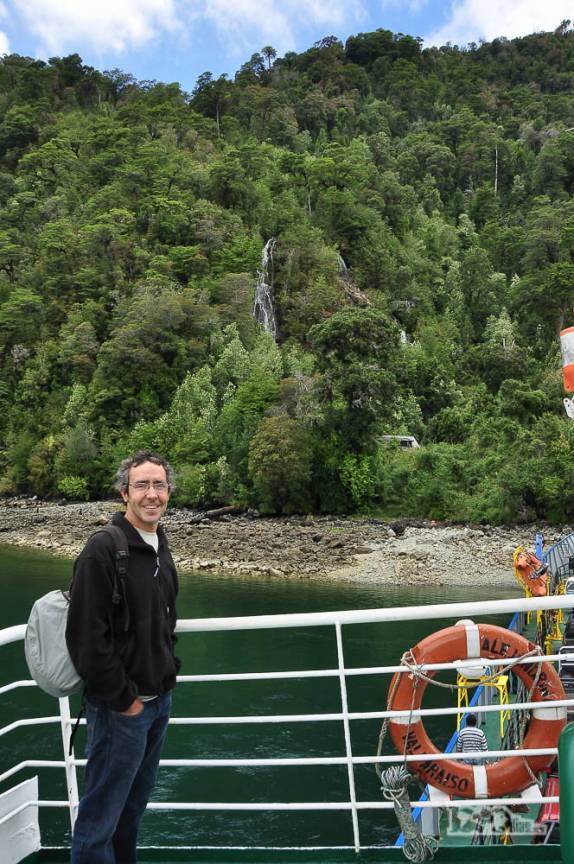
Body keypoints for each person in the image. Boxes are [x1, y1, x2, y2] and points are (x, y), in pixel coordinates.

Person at [66, 450, 180, 864]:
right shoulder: (103, 549)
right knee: (99, 821)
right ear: (124, 492)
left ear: (169, 492)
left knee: (131, 812)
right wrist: (126, 701)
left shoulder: (159, 545)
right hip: (122, 711)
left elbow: (164, 619)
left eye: (159, 485)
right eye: (142, 485)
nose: (152, 494)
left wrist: (168, 676)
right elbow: (85, 639)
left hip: (158, 703)